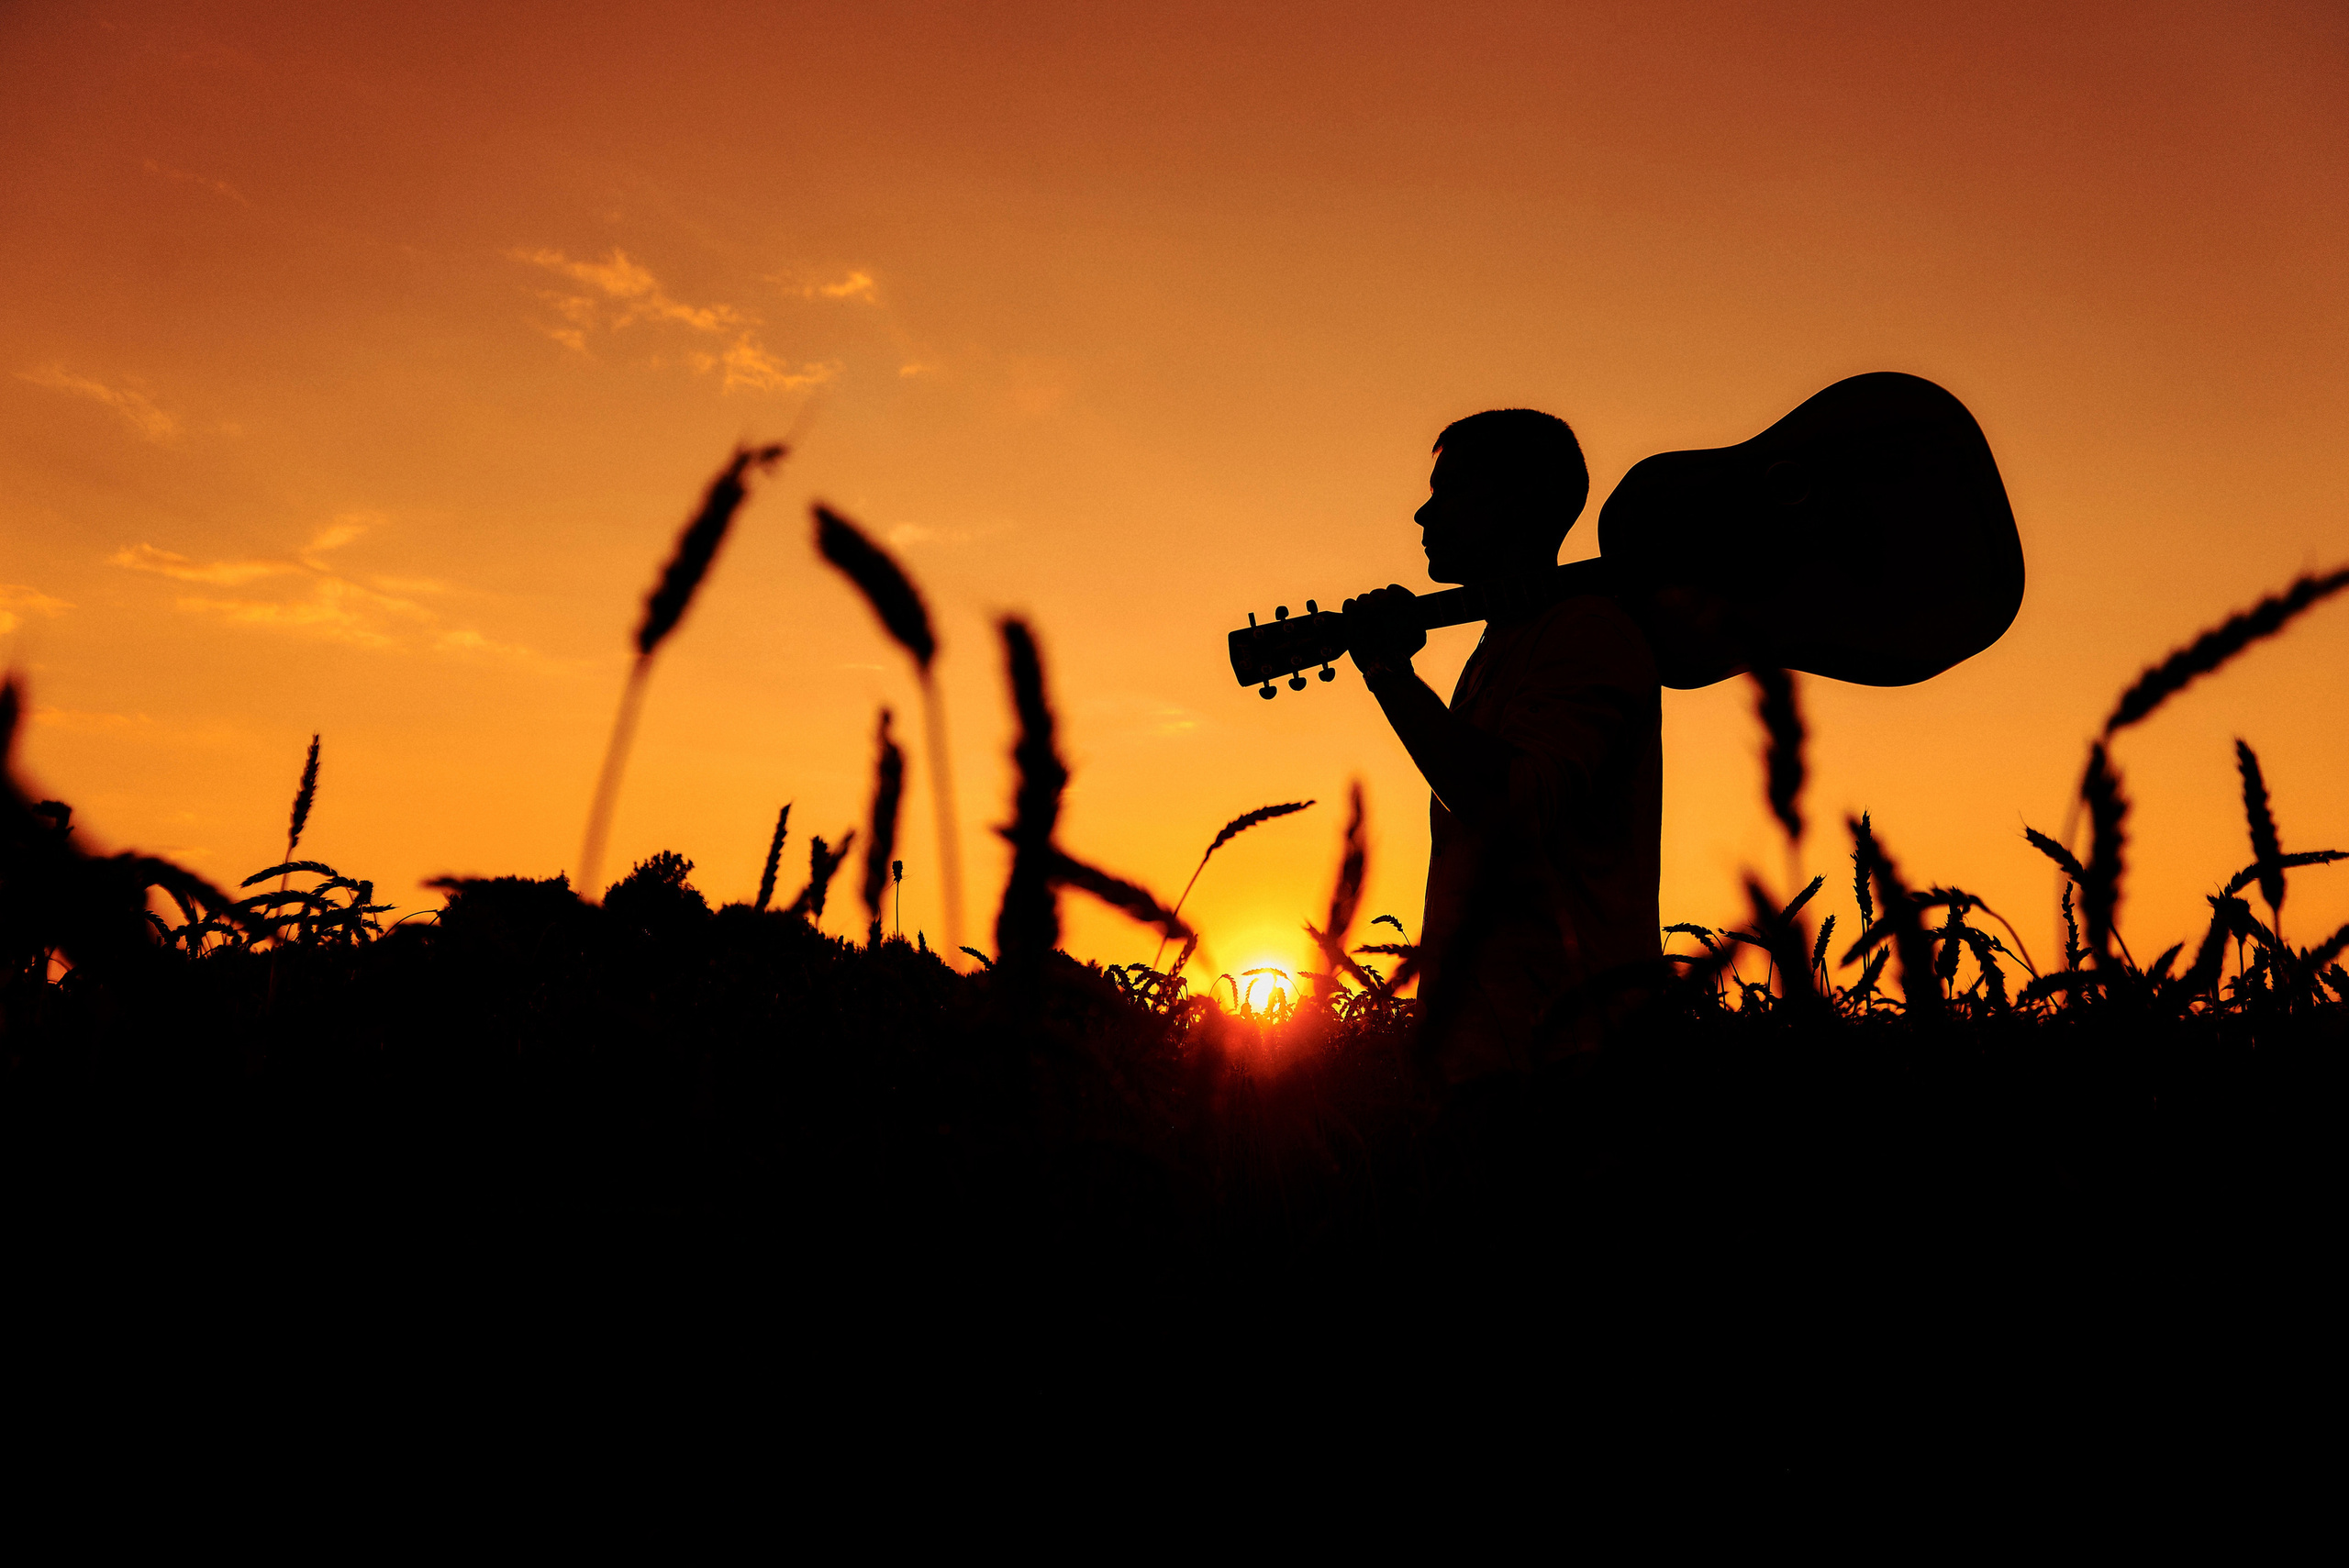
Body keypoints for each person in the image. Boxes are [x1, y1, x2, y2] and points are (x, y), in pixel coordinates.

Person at [1342, 409, 1662, 1084]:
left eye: (1451, 489)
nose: (1423, 516)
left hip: (1573, 1065)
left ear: (1520, 503)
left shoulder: (1585, 631)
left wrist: (1391, 676)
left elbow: (1511, 803)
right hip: (1493, 1062)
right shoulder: (1499, 648)